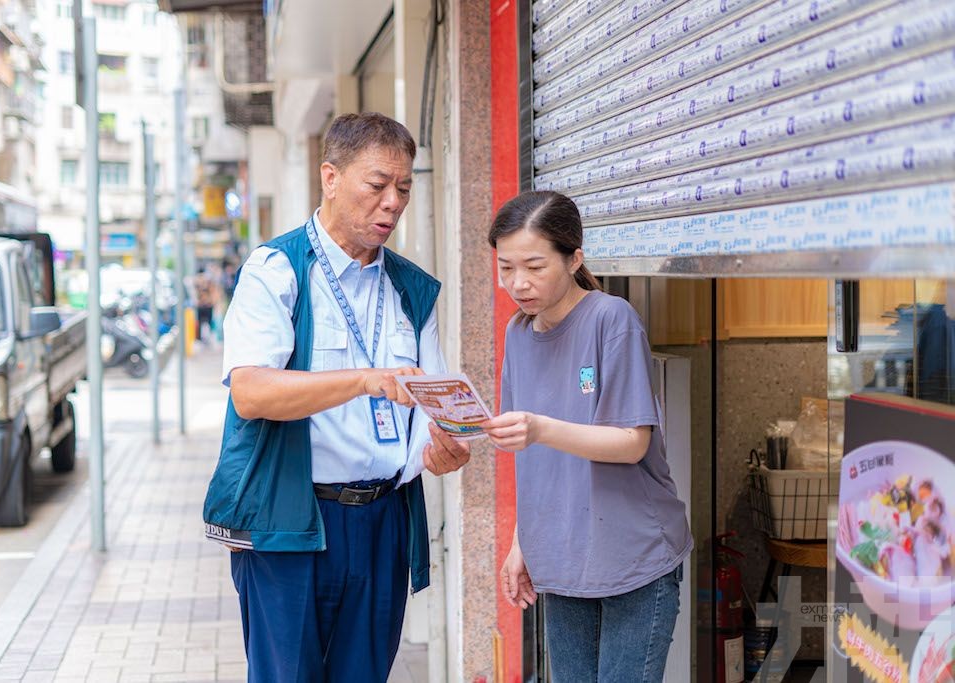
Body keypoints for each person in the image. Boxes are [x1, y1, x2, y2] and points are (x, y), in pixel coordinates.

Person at [203, 112, 471, 682]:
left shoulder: (410, 288)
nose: (392, 203)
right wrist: (364, 378)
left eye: (403, 188)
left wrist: (439, 445)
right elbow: (251, 393)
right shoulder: (277, 269)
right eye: (377, 185)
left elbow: (427, 401)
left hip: (382, 523)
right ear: (330, 177)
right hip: (292, 521)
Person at [481, 190, 693, 683]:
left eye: (534, 266)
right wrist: (521, 545)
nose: (518, 283)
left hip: (633, 558)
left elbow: (631, 442)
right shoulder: (518, 333)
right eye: (506, 267)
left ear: (575, 258)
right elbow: (532, 460)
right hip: (562, 558)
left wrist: (541, 427)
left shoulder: (610, 318)